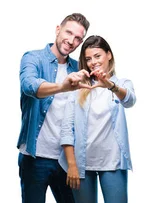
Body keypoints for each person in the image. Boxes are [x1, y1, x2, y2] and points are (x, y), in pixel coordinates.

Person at [18, 13, 90, 203]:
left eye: (78, 39)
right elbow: (30, 86)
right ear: (58, 29)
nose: (71, 41)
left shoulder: (78, 69)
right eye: (69, 33)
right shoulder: (33, 58)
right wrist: (62, 87)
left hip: (66, 160)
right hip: (35, 157)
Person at [58, 35, 136, 203]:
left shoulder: (122, 84)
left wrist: (110, 85)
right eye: (88, 58)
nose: (93, 62)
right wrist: (72, 164)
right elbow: (66, 128)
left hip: (112, 162)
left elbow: (129, 100)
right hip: (81, 164)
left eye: (97, 56)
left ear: (109, 55)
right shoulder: (78, 87)